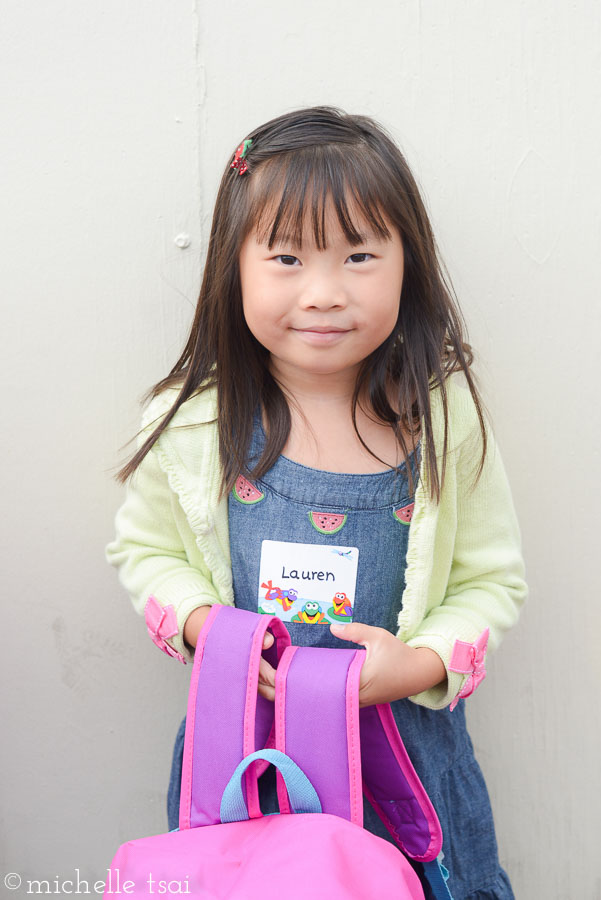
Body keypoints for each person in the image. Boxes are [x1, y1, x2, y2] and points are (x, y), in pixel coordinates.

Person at [106, 106, 527, 899]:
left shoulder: (441, 421)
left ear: (410, 263)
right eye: (288, 258)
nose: (325, 293)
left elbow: (488, 580)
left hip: (402, 765)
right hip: (244, 761)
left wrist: (418, 664)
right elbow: (147, 552)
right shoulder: (197, 423)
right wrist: (207, 626)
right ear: (235, 267)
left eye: (360, 255)